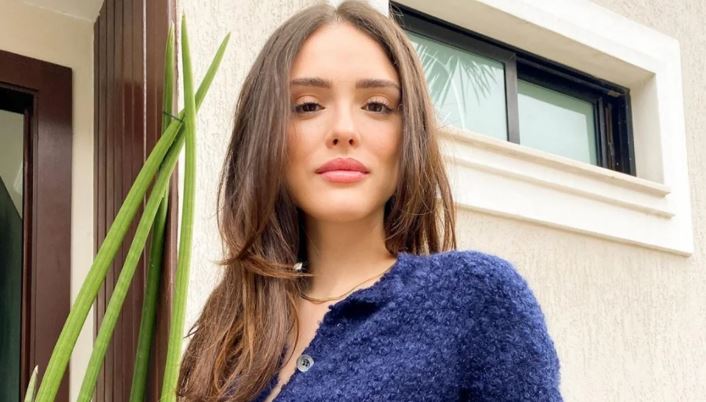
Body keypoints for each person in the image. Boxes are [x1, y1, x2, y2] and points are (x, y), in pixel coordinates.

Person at [177, 1, 563, 401]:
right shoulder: (229, 333)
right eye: (308, 106)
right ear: (266, 133)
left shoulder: (477, 299)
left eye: (377, 106)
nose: (344, 130)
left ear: (409, 132)